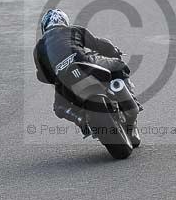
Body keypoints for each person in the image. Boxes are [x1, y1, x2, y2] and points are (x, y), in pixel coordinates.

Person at [33, 9, 141, 140]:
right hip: (85, 65)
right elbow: (99, 44)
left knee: (59, 107)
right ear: (64, 21)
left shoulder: (39, 47)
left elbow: (44, 75)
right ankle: (131, 101)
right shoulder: (73, 30)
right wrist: (114, 51)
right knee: (119, 65)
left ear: (44, 27)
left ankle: (79, 118)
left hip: (64, 79)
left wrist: (57, 73)